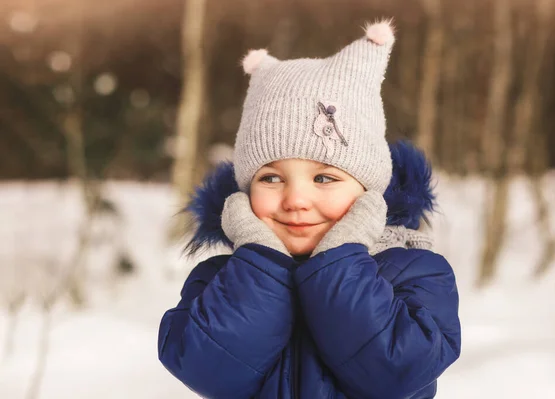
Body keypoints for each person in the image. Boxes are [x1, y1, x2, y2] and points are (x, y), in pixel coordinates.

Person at [158, 20, 461, 399]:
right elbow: (207, 369)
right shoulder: (219, 278)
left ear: (369, 191)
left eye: (324, 179)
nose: (296, 200)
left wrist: (341, 258)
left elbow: (398, 372)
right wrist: (260, 260)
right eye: (270, 178)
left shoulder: (415, 273)